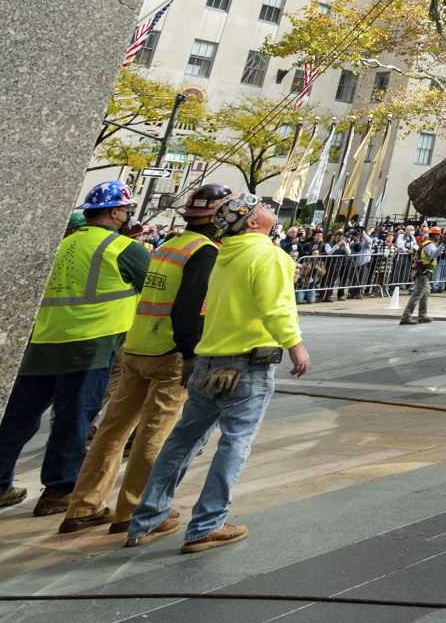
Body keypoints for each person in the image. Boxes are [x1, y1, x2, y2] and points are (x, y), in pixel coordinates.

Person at [123, 193, 311, 552]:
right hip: (248, 363)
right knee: (235, 441)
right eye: (262, 208)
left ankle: (147, 518)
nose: (270, 209)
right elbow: (276, 307)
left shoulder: (225, 255)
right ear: (253, 222)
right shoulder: (267, 254)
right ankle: (207, 524)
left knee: (182, 440)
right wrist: (295, 345)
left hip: (209, 360)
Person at [57, 184, 230, 534]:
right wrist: (191, 354)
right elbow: (189, 309)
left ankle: (83, 506)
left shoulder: (170, 246)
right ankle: (134, 512)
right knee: (155, 434)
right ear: (219, 217)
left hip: (136, 346)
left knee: (112, 431)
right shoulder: (205, 252)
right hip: (169, 354)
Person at [0, 181, 152, 517]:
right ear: (115, 212)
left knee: (18, 420)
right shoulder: (125, 249)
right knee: (73, 420)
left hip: (43, 342)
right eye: (127, 210)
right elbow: (156, 291)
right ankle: (60, 489)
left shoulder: (65, 244)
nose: (128, 215)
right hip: (90, 346)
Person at [401, 227, 442, 325]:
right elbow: (432, 256)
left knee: (425, 292)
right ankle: (406, 317)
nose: (439, 237)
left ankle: (422, 315)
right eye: (439, 235)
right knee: (417, 295)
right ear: (436, 236)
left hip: (423, 272)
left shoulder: (426, 243)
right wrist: (440, 249)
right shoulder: (431, 245)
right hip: (423, 272)